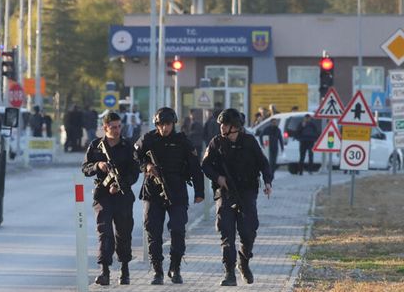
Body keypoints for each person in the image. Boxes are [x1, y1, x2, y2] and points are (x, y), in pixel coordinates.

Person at [201, 108, 273, 286]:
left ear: (234, 127)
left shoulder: (249, 142)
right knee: (227, 233)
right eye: (221, 125)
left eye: (224, 125)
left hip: (247, 193)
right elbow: (205, 165)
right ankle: (229, 273)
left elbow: (263, 163)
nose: (221, 128)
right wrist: (218, 178)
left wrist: (268, 181)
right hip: (225, 194)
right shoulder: (216, 143)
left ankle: (244, 262)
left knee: (249, 232)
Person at [134, 107, 205, 285]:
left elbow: (195, 167)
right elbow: (134, 155)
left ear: (173, 124)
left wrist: (199, 192)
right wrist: (146, 166)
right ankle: (157, 270)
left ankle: (175, 267)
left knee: (178, 229)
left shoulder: (182, 141)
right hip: (153, 192)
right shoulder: (148, 139)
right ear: (156, 124)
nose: (164, 128)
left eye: (168, 124)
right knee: (153, 231)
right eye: (161, 125)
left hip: (177, 191)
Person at [82, 112, 140, 286]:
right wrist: (97, 165)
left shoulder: (128, 146)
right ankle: (104, 271)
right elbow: (85, 168)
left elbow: (135, 172)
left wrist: (122, 184)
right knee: (104, 233)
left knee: (123, 233)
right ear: (105, 127)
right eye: (113, 127)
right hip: (103, 196)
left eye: (119, 126)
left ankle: (124, 270)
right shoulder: (96, 146)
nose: (117, 130)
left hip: (122, 195)